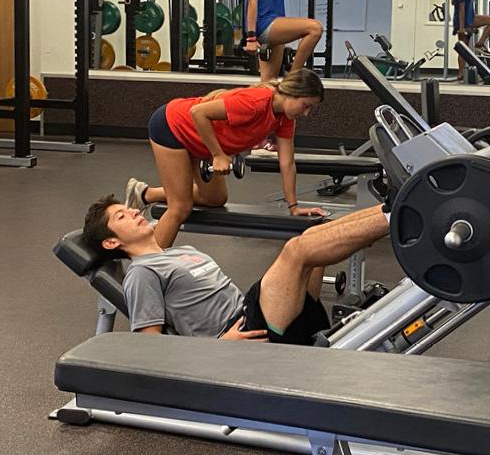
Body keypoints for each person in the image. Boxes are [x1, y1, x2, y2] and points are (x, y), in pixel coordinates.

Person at [82, 195, 389, 344]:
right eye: (121, 216)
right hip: (242, 339)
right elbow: (149, 348)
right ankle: (398, 216)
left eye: (128, 208)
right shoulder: (141, 273)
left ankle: (393, 208)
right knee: (297, 250)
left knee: (310, 236)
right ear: (111, 243)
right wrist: (219, 349)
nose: (134, 211)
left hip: (252, 314)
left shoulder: (180, 251)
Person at [125, 69, 328, 250]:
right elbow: (198, 112)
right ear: (293, 94)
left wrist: (294, 207)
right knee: (180, 208)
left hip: (199, 141)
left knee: (215, 199)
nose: (307, 113)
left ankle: (146, 194)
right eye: (306, 105)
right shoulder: (256, 102)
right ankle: (147, 270)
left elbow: (287, 163)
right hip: (173, 127)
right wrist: (217, 154)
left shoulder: (284, 118)